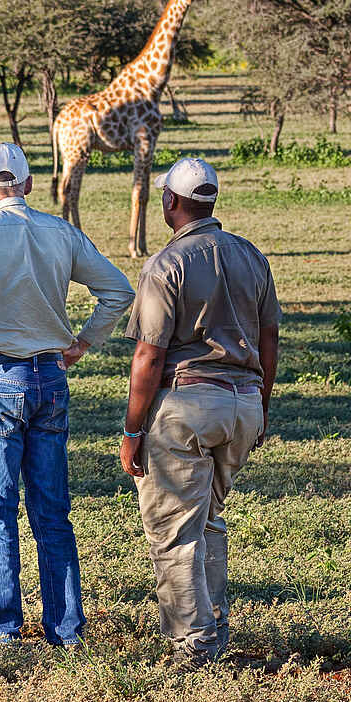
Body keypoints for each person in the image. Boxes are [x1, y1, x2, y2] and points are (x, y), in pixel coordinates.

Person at [0, 143, 134, 648]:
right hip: (50, 377)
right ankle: (66, 630)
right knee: (51, 511)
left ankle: (4, 627)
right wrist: (82, 343)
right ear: (28, 185)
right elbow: (118, 292)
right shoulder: (60, 230)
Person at [119, 157, 280, 666]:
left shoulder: (167, 265)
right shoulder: (252, 256)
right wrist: (261, 406)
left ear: (170, 201)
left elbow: (148, 354)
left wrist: (132, 428)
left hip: (186, 404)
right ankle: (214, 632)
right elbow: (270, 337)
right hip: (243, 406)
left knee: (173, 530)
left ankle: (193, 647)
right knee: (207, 521)